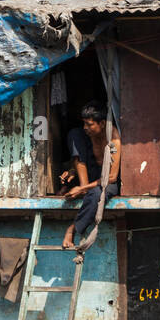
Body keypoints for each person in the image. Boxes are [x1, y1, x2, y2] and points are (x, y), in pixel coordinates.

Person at [62, 101, 121, 250]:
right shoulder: (85, 135)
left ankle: (72, 229)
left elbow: (112, 178)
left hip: (108, 181)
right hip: (91, 175)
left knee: (96, 194)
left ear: (102, 124)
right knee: (74, 134)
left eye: (89, 124)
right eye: (84, 124)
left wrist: (83, 190)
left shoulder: (113, 139)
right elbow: (81, 156)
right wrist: (72, 171)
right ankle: (78, 185)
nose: (85, 128)